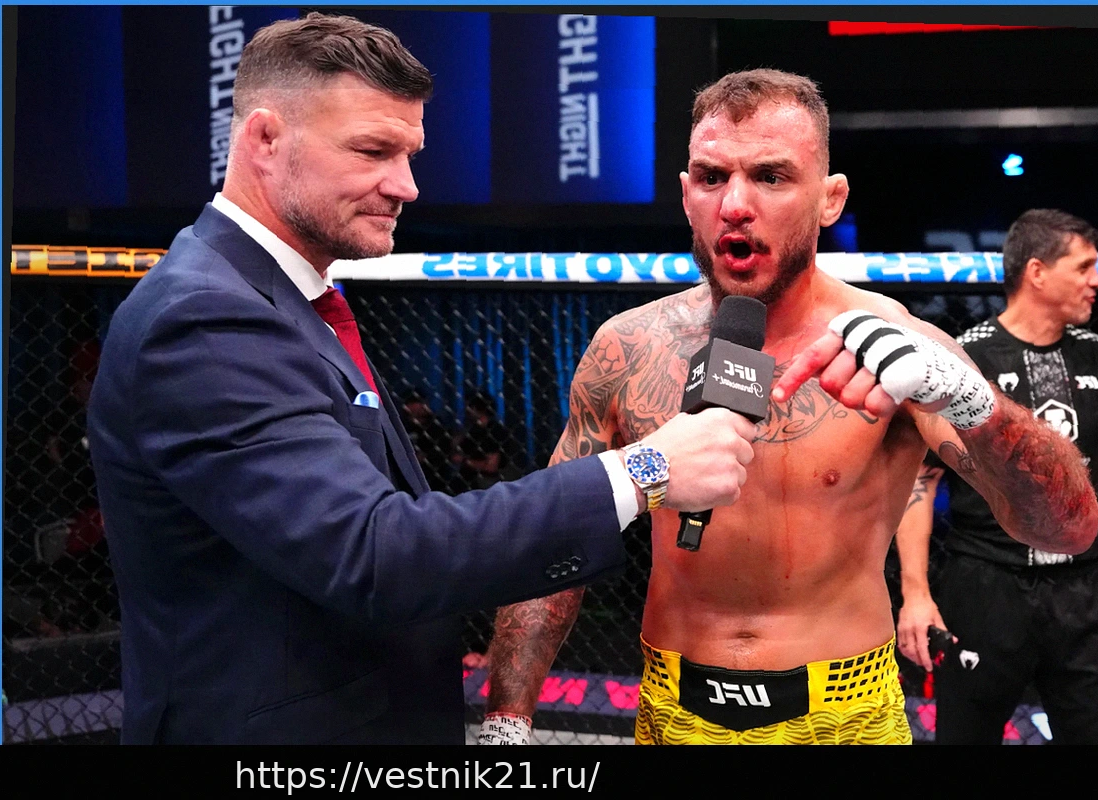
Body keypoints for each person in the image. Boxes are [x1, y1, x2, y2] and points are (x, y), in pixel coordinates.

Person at [85, 12, 759, 745]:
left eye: (410, 155)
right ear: (265, 140)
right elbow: (377, 555)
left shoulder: (284, 302)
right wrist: (644, 470)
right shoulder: (206, 318)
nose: (405, 186)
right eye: (373, 150)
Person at [477, 69, 1098, 746]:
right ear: (686, 195)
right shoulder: (628, 349)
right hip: (672, 708)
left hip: (845, 714)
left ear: (830, 199)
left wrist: (974, 402)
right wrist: (507, 721)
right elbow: (559, 538)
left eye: (771, 176)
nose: (735, 205)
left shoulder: (899, 346)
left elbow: (1065, 531)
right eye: (712, 177)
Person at [894, 209, 1098, 745]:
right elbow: (921, 481)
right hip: (986, 585)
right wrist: (916, 593)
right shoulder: (964, 358)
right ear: (1037, 272)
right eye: (1085, 266)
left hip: (1082, 588)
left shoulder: (1097, 355)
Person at [455, 391, 524, 491]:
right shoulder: (473, 432)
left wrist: (465, 461)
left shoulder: (495, 431)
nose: (465, 411)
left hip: (492, 484)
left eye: (468, 407)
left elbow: (491, 466)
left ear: (475, 408)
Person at [397, 389, 457, 493]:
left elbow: (444, 450)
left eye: (422, 402)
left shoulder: (435, 424)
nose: (422, 406)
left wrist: (425, 456)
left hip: (435, 475)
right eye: (416, 403)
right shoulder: (401, 424)